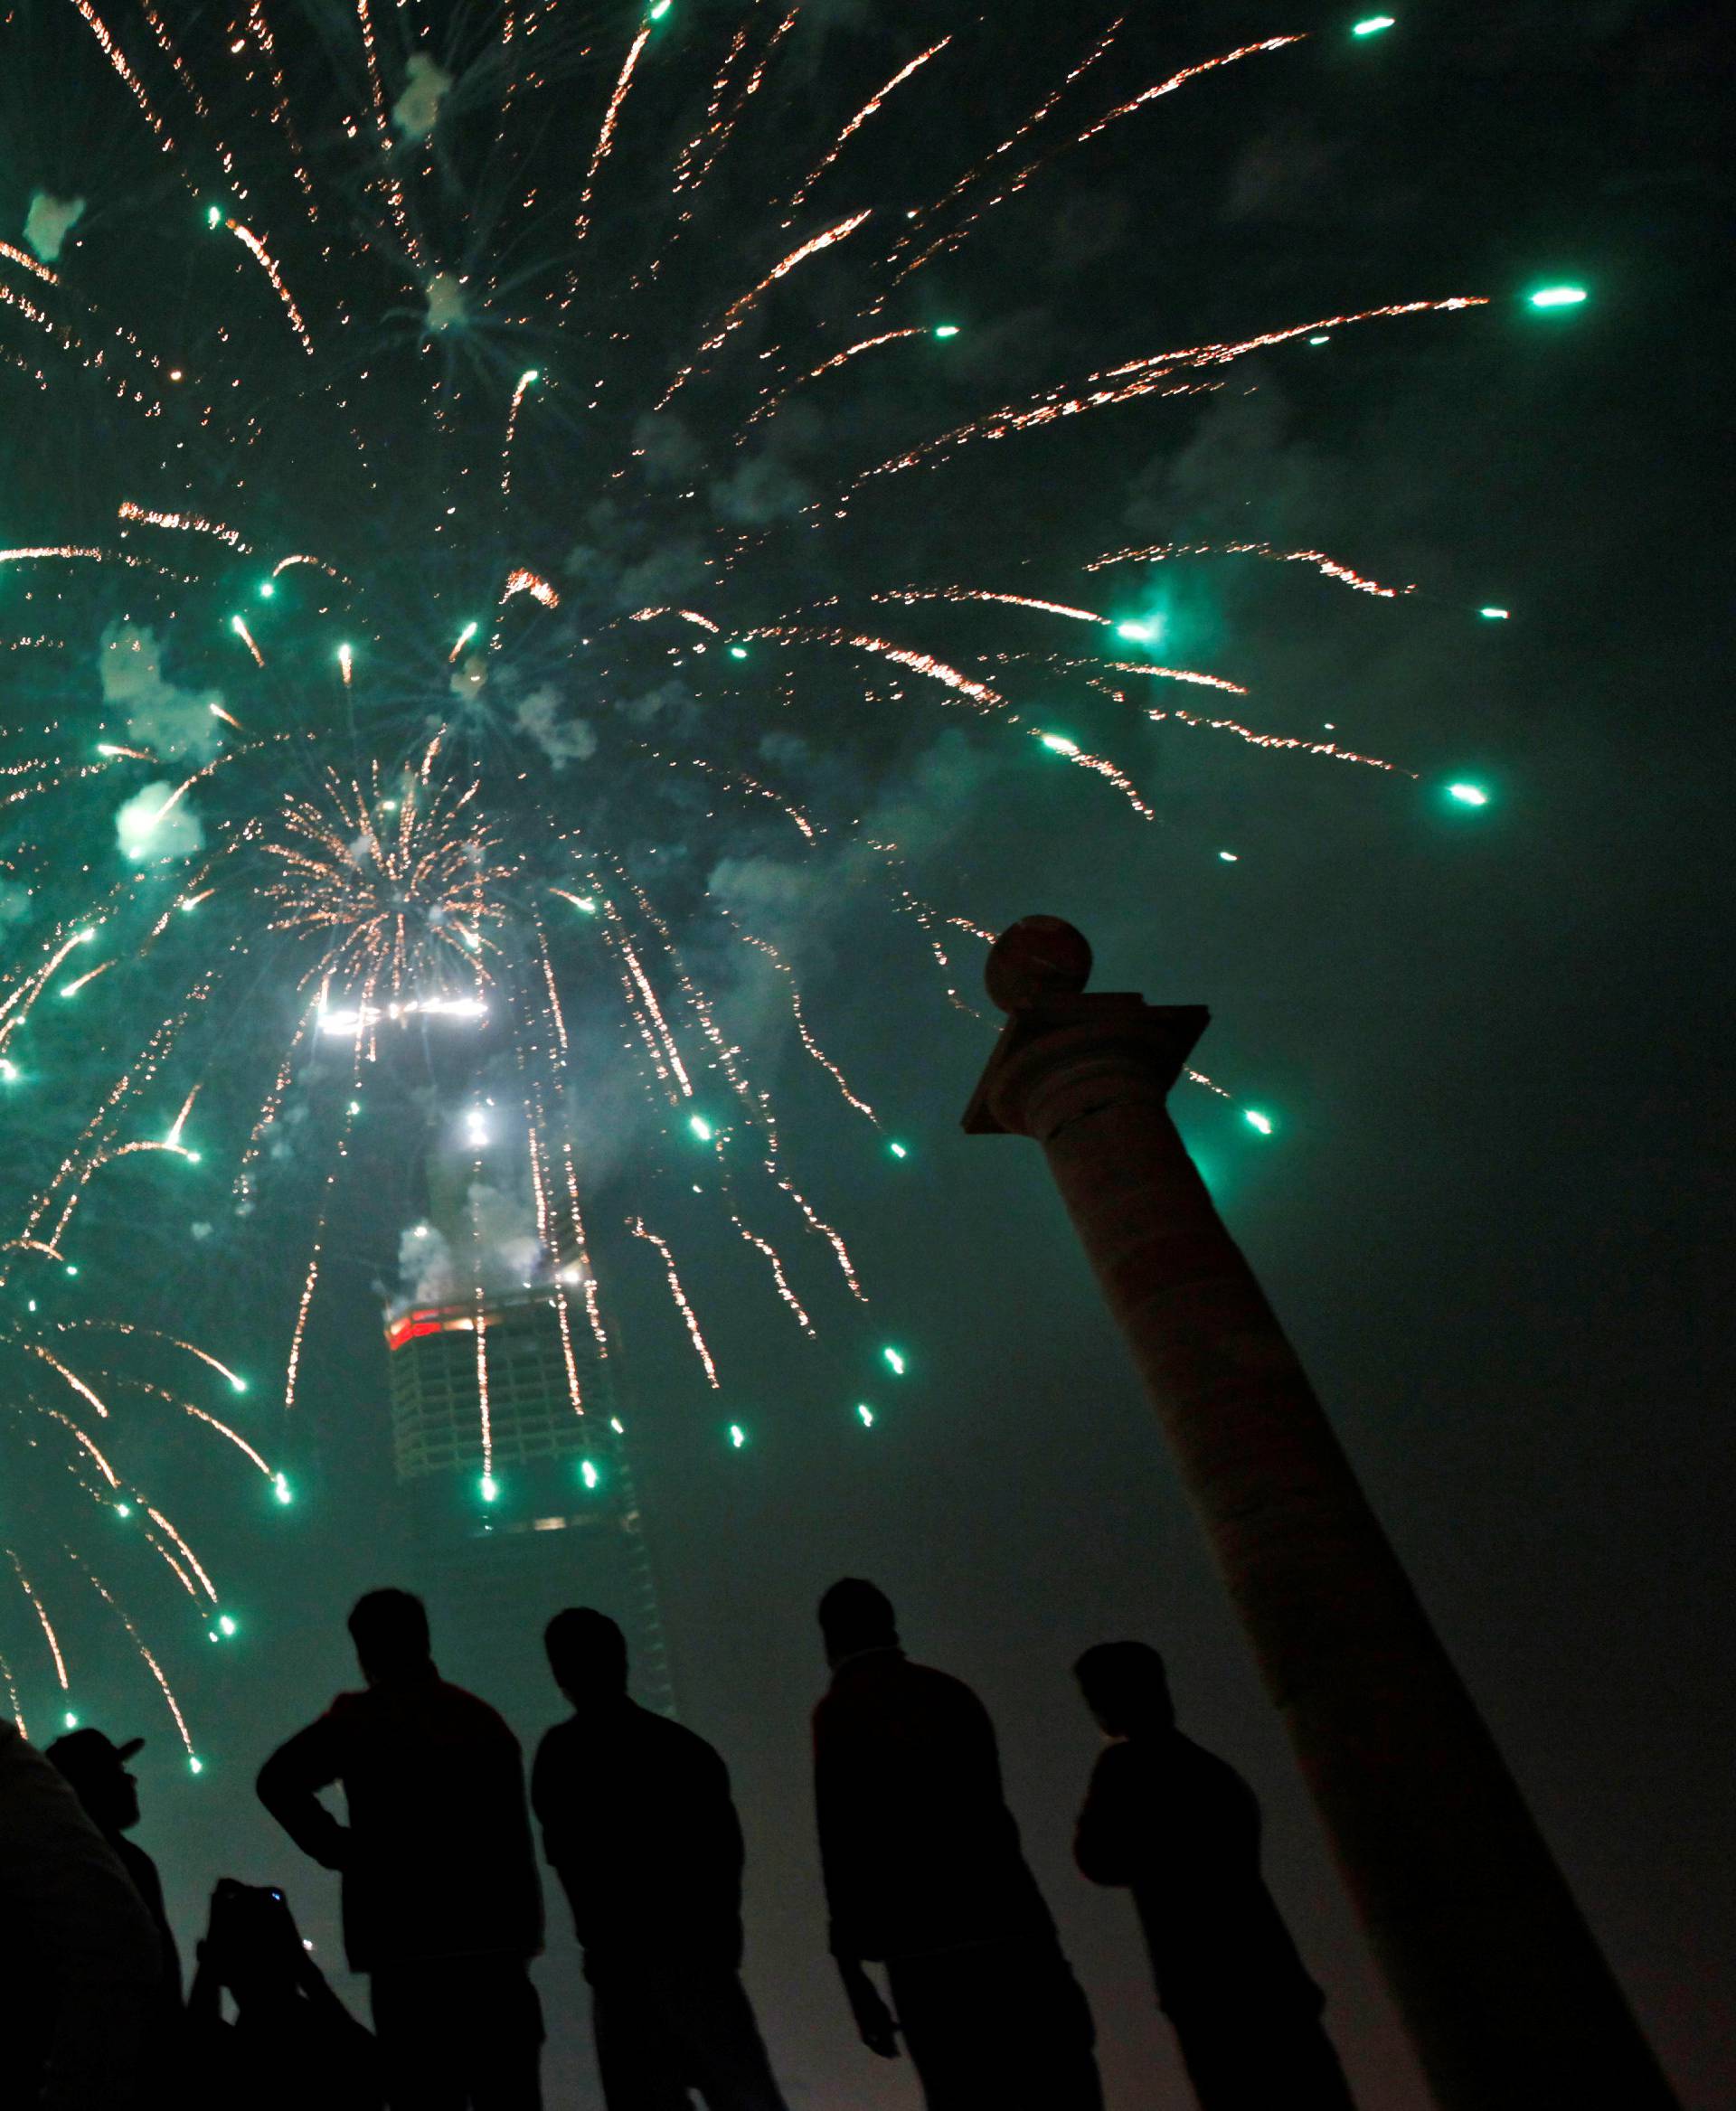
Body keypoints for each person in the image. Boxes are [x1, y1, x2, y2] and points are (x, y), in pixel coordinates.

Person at [811, 1579, 1101, 2111]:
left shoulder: (839, 1713)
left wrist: (854, 1979)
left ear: (831, 1641)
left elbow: (843, 1850)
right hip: (1013, 1932)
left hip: (925, 1956)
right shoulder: (951, 1693)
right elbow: (995, 1823)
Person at [257, 1587, 545, 2110]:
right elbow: (516, 1842)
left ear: (366, 1650)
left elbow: (276, 1780)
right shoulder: (481, 1721)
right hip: (496, 1959)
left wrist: (341, 1850)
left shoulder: (361, 1721)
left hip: (406, 1958)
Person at [1072, 1641, 1357, 2109]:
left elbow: (1097, 1858)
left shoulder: (1127, 1768)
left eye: (1096, 1698)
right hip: (1269, 1980)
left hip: (1208, 1989)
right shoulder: (1210, 1770)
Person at [533, 1607, 788, 2111]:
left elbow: (573, 1869)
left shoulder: (561, 1757)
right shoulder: (685, 1752)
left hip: (621, 1977)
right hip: (701, 1967)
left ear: (560, 1673)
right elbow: (724, 1864)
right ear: (623, 1661)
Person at [0, 1719, 161, 2109]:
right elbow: (122, 1946)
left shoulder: (33, 1868)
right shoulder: (113, 1869)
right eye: (116, 1772)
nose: (130, 1781)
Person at [44, 1727, 184, 2062]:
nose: (131, 1781)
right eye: (117, 1773)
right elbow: (161, 1982)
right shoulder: (124, 1864)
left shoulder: (50, 1865)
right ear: (92, 1787)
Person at [184, 1877, 383, 2110]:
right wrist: (305, 1968)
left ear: (224, 1968)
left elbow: (195, 2045)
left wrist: (211, 1956)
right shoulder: (340, 2044)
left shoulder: (231, 2060)